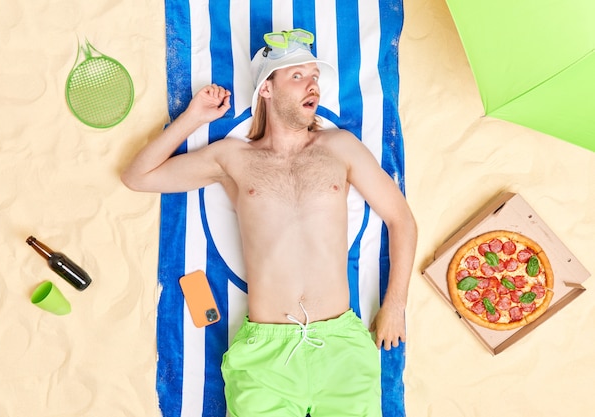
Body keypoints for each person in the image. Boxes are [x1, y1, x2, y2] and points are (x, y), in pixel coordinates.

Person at [122, 29, 417, 417]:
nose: (312, 85)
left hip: (341, 344)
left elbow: (402, 220)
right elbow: (138, 177)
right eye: (297, 76)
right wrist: (193, 118)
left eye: (315, 77)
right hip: (265, 352)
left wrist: (394, 305)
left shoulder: (340, 147)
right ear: (266, 89)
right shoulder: (233, 159)